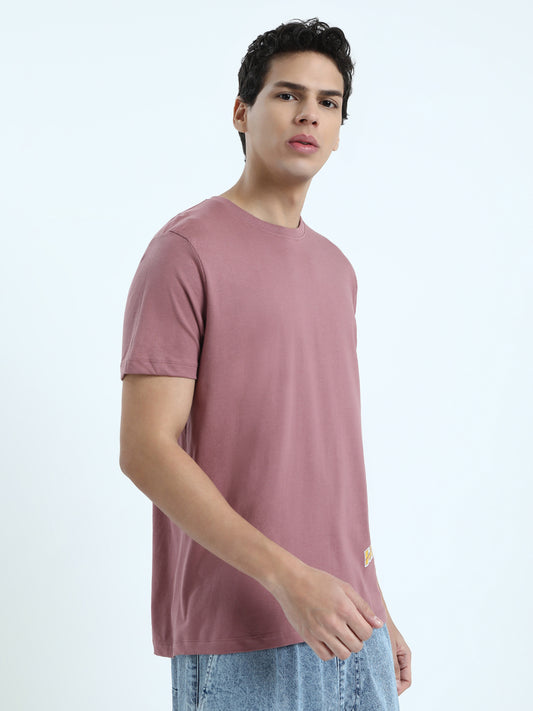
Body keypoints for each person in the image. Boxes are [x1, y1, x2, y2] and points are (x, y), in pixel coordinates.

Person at [119, 17, 411, 711]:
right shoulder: (184, 252)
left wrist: (376, 602)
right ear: (241, 112)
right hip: (243, 636)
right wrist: (289, 579)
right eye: (287, 95)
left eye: (328, 102)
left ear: (338, 129)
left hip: (352, 623)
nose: (309, 114)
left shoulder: (337, 270)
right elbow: (145, 449)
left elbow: (327, 464)